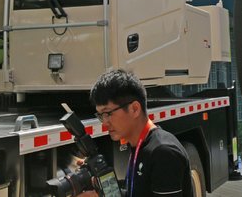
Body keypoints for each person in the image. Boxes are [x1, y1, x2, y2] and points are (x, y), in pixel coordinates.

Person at [79, 69, 192, 197]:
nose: (104, 123)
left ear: (134, 109)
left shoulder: (163, 152)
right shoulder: (139, 145)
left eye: (108, 113)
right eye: (100, 115)